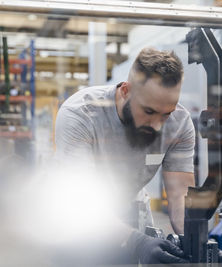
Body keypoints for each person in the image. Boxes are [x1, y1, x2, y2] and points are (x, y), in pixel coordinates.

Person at [54, 47, 195, 265]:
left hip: (130, 208)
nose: (158, 125)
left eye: (166, 113)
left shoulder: (180, 123)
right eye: (148, 111)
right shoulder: (80, 114)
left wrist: (195, 243)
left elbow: (179, 195)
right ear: (126, 91)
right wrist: (136, 242)